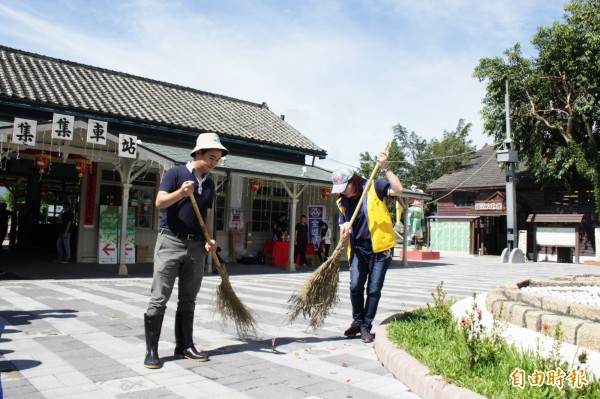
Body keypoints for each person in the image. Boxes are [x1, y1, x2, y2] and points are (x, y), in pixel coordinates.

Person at [144, 132, 228, 369]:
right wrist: (181, 192)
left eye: (217, 160)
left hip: (196, 246)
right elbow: (160, 202)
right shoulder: (175, 173)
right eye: (211, 157)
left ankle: (184, 346)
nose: (214, 163)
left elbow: (208, 215)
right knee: (159, 297)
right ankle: (152, 351)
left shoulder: (210, 184)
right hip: (171, 241)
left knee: (188, 298)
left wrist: (210, 239)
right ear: (197, 153)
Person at [332, 151, 403, 343]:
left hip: (381, 248)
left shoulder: (374, 186)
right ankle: (357, 321)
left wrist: (385, 168)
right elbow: (342, 223)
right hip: (358, 248)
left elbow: (398, 189)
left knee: (373, 289)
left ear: (352, 180)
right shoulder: (342, 201)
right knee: (355, 286)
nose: (343, 191)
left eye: (344, 187)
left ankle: (365, 326)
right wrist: (344, 226)